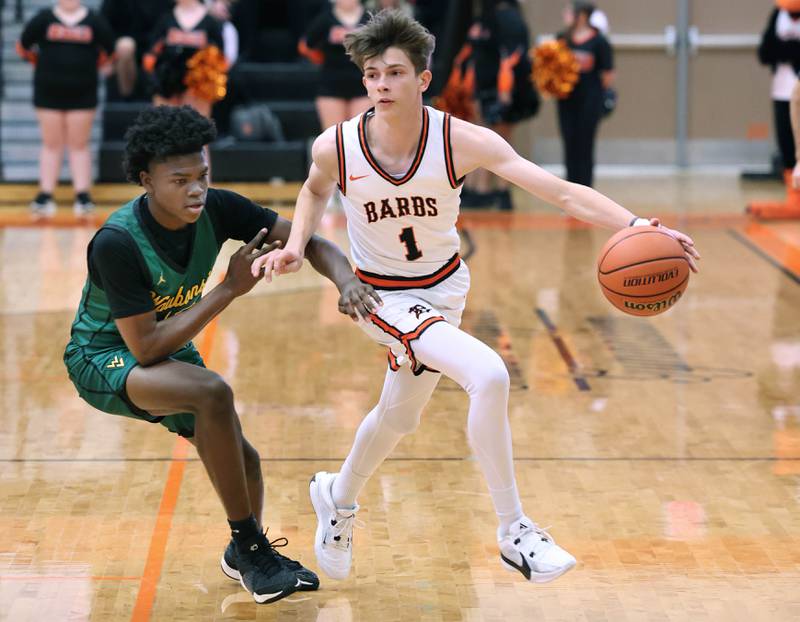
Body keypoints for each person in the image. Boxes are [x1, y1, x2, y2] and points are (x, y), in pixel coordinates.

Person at [251, 9, 700, 585]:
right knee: (488, 374)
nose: (381, 85)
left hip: (444, 288)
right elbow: (314, 191)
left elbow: (561, 192)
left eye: (394, 73)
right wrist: (295, 243)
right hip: (379, 296)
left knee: (400, 417)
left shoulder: (461, 141)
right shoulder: (336, 145)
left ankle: (336, 497)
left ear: (423, 79)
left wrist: (637, 225)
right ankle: (514, 530)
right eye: (371, 74)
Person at [62, 105, 381, 603]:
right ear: (147, 181)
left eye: (203, 175)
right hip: (104, 356)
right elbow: (144, 348)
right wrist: (229, 288)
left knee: (244, 458)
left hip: (162, 343)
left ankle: (245, 554)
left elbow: (306, 241)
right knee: (212, 392)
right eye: (180, 179)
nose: (196, 189)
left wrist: (346, 280)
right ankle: (252, 550)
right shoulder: (117, 242)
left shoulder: (219, 208)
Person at [17, 0, 116, 218]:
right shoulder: (43, 18)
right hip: (47, 92)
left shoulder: (94, 20)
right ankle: (45, 195)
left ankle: (83, 195)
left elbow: (110, 50)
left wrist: (88, 68)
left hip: (83, 93)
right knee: (51, 144)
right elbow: (23, 46)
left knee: (79, 144)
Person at [463, 0, 539, 210]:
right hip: (483, 89)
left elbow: (512, 57)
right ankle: (481, 189)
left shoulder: (509, 18)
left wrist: (505, 92)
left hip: (502, 91)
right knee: (483, 139)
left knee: (500, 142)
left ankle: (502, 192)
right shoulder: (484, 18)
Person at [750, 0, 800, 219]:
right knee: (787, 145)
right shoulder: (778, 14)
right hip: (782, 90)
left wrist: (785, 49)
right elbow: (765, 51)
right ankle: (795, 197)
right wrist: (791, 49)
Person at [556, 2, 614, 188]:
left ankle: (586, 192)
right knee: (569, 145)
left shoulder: (599, 41)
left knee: (585, 147)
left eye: (568, 12)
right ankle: (571, 193)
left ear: (581, 15)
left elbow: (608, 75)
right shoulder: (562, 39)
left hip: (589, 102)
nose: (565, 15)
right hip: (566, 102)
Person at [143, 0, 226, 118]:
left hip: (199, 85)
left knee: (195, 125)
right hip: (167, 83)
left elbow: (220, 57)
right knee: (165, 125)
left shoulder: (211, 21)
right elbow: (151, 54)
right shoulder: (164, 18)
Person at [299, 0, 372, 130]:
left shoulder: (370, 18)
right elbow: (306, 45)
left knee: (360, 135)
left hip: (362, 86)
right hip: (331, 86)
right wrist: (320, 60)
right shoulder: (325, 18)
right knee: (334, 137)